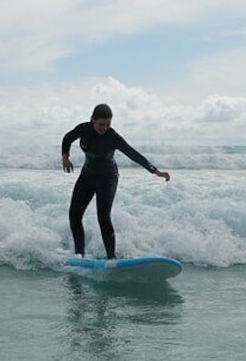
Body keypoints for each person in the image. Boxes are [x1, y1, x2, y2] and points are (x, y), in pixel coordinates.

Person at [61, 103, 170, 259]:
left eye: (108, 124)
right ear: (92, 120)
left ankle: (111, 258)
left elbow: (133, 154)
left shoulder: (113, 137)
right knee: (74, 215)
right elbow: (68, 137)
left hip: (107, 178)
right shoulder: (84, 129)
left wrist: (155, 171)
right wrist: (65, 156)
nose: (104, 128)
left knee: (103, 217)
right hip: (87, 175)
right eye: (101, 124)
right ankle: (80, 255)